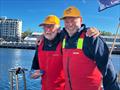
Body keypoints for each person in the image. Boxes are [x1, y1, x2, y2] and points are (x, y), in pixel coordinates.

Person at [31, 15, 100, 90]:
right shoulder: (40, 44)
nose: (47, 30)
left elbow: (77, 31)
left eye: (51, 26)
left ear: (58, 29)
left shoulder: (65, 41)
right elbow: (35, 67)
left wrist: (91, 30)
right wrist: (33, 74)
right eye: (45, 27)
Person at [60, 6, 120, 90]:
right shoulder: (63, 37)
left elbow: (108, 70)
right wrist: (41, 36)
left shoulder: (91, 38)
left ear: (81, 20)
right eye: (66, 21)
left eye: (73, 20)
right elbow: (50, 34)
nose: (70, 24)